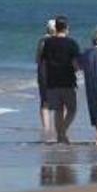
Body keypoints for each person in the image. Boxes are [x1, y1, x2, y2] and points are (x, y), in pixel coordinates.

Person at [38, 16, 81, 144]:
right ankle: (62, 132)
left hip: (52, 82)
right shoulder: (72, 43)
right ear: (67, 28)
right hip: (68, 82)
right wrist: (78, 70)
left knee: (58, 110)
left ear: (56, 28)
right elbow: (76, 64)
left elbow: (42, 61)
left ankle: (60, 137)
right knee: (72, 109)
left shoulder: (48, 43)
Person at [35, 19, 57, 142]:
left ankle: (46, 128)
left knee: (44, 101)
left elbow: (37, 59)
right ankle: (60, 127)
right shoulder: (59, 41)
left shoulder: (42, 41)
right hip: (55, 72)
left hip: (43, 71)